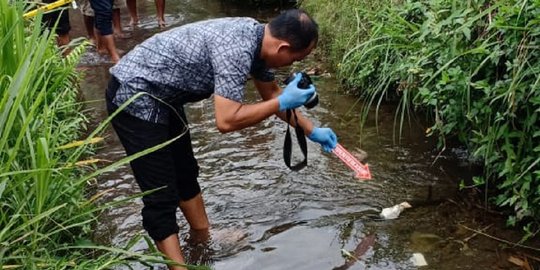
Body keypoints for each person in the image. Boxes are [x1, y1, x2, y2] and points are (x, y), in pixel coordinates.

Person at [105, 9, 337, 269]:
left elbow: (272, 96)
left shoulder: (260, 40)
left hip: (165, 98)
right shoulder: (237, 49)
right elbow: (227, 120)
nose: (291, 66)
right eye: (296, 58)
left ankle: (202, 236)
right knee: (161, 193)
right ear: (283, 47)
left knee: (185, 172)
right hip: (134, 96)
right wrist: (283, 101)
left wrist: (311, 131)